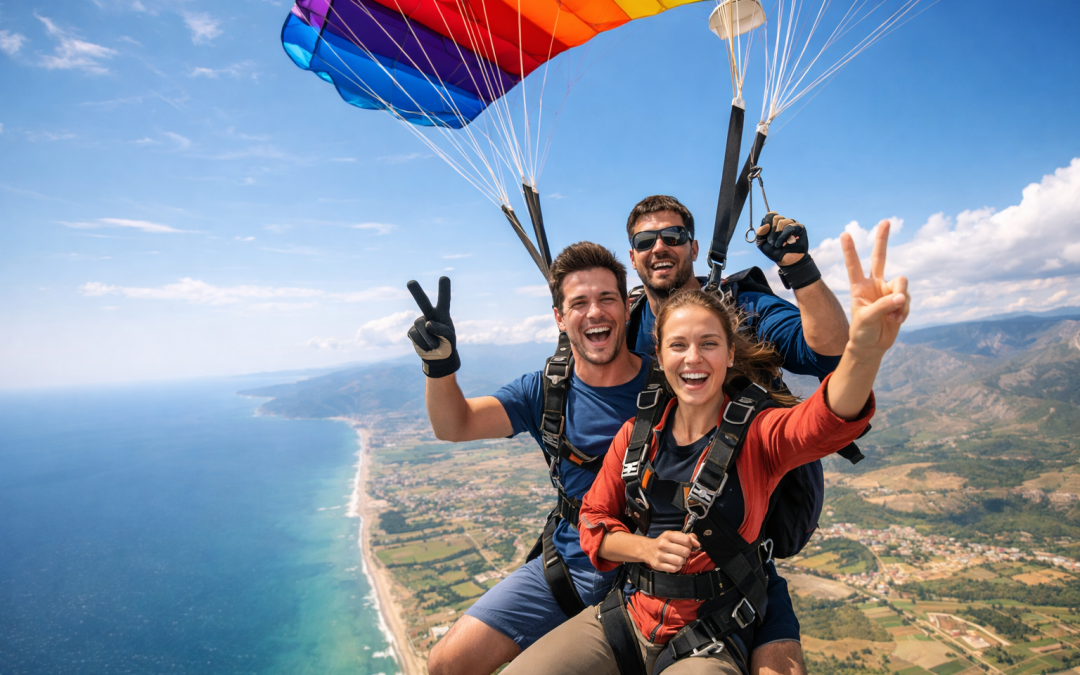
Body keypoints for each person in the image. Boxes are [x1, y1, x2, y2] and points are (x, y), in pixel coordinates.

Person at [405, 234, 840, 675]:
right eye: (578, 303)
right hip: (580, 563)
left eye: (606, 298)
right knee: (447, 664)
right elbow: (454, 425)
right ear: (559, 317)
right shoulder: (544, 392)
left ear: (625, 307)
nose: (594, 312)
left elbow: (804, 391)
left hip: (698, 574)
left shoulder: (679, 380)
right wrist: (440, 366)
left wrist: (809, 288)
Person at [500, 221, 909, 675]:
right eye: (678, 345)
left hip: (711, 629)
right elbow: (595, 520)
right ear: (660, 354)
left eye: (709, 344)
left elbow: (823, 422)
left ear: (730, 354)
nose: (693, 358)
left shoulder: (759, 435)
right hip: (630, 617)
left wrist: (863, 354)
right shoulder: (638, 434)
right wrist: (645, 550)